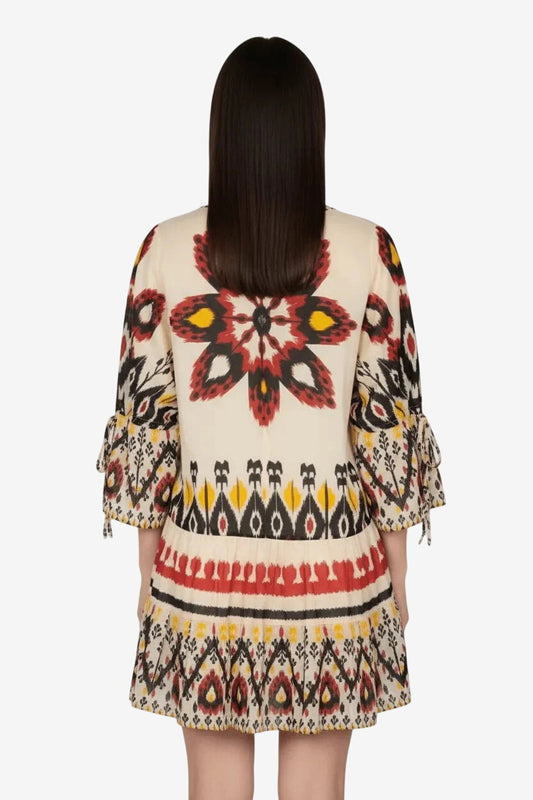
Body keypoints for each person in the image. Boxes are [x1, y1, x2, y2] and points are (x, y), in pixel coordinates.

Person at [96, 36, 446, 800]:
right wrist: (397, 574)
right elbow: (386, 425)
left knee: (212, 791)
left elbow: (147, 426)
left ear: (221, 131)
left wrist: (149, 573)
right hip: (334, 575)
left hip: (200, 569)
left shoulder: (163, 250)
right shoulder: (368, 250)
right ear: (310, 132)